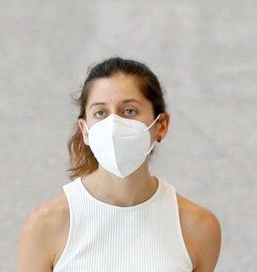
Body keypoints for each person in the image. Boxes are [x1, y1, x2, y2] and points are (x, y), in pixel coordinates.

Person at [16, 57, 221, 272]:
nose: (113, 125)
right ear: (85, 130)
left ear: (161, 125)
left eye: (129, 111)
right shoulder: (45, 224)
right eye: (100, 113)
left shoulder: (198, 227)